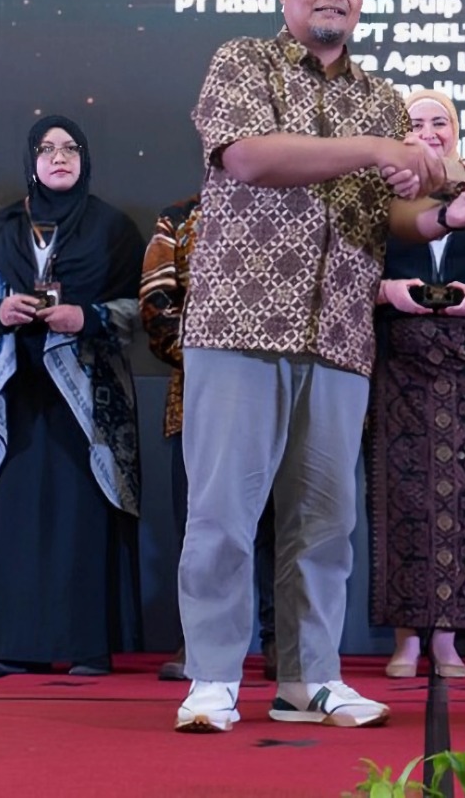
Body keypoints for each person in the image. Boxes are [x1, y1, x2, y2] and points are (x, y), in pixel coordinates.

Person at [174, 0, 465, 734]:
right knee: (222, 516)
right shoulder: (243, 62)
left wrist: (446, 217)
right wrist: (374, 148)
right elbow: (248, 157)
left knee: (325, 524)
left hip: (341, 334)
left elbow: (391, 216)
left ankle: (309, 681)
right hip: (241, 321)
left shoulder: (379, 98)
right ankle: (212, 678)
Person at [0, 115, 145, 676]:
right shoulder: (4, 226)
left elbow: (144, 310)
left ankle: (88, 644)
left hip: (86, 402)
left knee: (80, 520)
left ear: (85, 159)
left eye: (71, 148)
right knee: (13, 520)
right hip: (11, 399)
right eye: (48, 149)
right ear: (31, 160)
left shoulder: (112, 229)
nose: (60, 158)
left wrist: (89, 316)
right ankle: (14, 644)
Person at [368, 90, 465, 680]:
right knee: (401, 499)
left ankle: (450, 639)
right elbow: (350, 276)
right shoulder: (379, 195)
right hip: (399, 360)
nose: (430, 131)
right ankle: (406, 639)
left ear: (456, 130)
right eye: (416, 123)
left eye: (441, 122)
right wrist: (386, 291)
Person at [139, 194, 278, 683]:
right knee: (205, 522)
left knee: (283, 525)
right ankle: (201, 640)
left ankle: (284, 640)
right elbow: (156, 303)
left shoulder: (297, 209)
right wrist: (212, 359)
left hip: (282, 389)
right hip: (201, 394)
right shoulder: (180, 218)